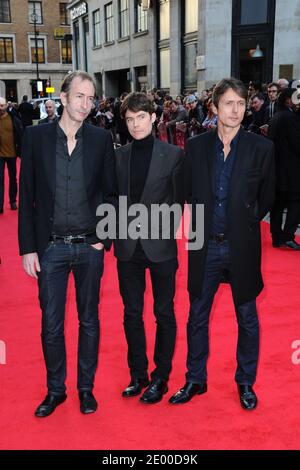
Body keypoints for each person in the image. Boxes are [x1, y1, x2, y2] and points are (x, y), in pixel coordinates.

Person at [169, 78, 275, 410]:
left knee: (247, 317)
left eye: (241, 104)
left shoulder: (261, 148)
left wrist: (243, 219)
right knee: (197, 316)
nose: (235, 110)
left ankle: (245, 382)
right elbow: (185, 190)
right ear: (215, 106)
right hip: (205, 245)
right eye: (228, 103)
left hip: (241, 245)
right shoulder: (197, 146)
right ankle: (195, 379)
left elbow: (267, 197)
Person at [18, 71, 117, 417]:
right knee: (52, 323)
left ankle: (85, 389)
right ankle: (56, 389)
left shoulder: (101, 139)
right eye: (79, 97)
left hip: (89, 247)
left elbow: (110, 193)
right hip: (51, 248)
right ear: (62, 98)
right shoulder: (34, 138)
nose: (86, 104)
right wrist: (28, 247)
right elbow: (27, 194)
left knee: (89, 320)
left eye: (91, 98)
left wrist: (103, 237)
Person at [114, 92, 184, 404]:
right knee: (131, 314)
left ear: (154, 118)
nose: (135, 124)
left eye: (141, 117)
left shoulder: (172, 155)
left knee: (163, 312)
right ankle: (138, 374)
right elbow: (113, 200)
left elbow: (180, 201)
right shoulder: (119, 156)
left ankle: (161, 377)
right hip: (128, 248)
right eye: (129, 119)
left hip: (161, 247)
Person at [269, 88, 300, 250]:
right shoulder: (290, 117)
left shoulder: (276, 116)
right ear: (288, 100)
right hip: (292, 171)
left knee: (277, 205)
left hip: (277, 169)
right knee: (295, 203)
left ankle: (276, 236)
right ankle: (287, 235)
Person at [0, 97, 23, 213]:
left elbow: (20, 134)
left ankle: (13, 200)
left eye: (2, 105)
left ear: (6, 106)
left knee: (13, 178)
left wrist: (22, 149)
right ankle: (0, 204)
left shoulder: (13, 118)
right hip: (0, 155)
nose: (0, 108)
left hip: (12, 153)